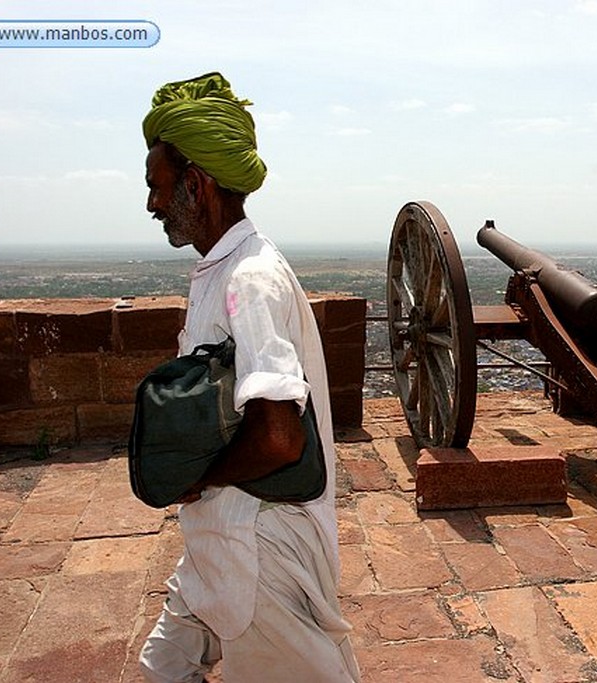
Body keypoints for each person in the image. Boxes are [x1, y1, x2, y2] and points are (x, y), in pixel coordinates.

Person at [137, 72, 360, 682]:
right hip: (220, 535)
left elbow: (280, 437)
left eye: (158, 187)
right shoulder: (223, 270)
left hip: (259, 541)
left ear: (196, 184)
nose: (152, 204)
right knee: (164, 667)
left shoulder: (249, 281)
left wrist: (199, 478)